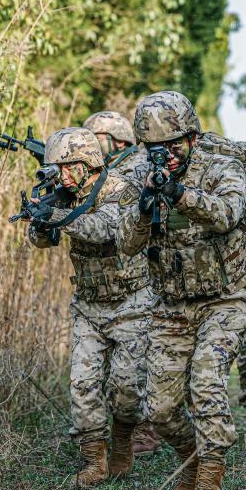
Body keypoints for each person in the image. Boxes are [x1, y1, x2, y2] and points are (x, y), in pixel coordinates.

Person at [117, 90, 246, 490]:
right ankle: (191, 459)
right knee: (159, 408)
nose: (163, 156)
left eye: (171, 146)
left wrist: (179, 195)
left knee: (208, 382)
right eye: (154, 149)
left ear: (191, 138)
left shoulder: (222, 166)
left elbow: (227, 213)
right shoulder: (140, 176)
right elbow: (124, 243)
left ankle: (209, 483)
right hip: (171, 304)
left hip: (224, 298)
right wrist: (142, 210)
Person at [23, 127, 150, 487]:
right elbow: (39, 240)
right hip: (88, 306)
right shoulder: (62, 195)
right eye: (56, 168)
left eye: (66, 167)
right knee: (82, 386)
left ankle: (123, 441)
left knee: (127, 389)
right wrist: (41, 224)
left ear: (88, 164)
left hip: (131, 303)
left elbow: (104, 229)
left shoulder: (120, 189)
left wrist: (61, 220)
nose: (60, 176)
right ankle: (94, 458)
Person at [82, 111, 162, 456]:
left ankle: (141, 427)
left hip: (137, 277)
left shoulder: (138, 168)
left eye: (94, 140)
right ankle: (100, 441)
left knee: (134, 369)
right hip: (97, 283)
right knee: (96, 375)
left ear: (117, 141)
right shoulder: (94, 173)